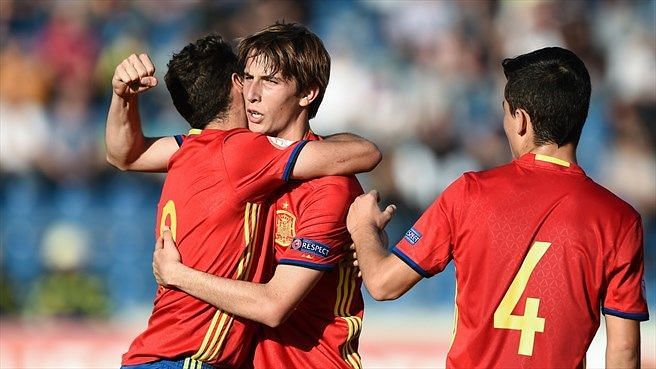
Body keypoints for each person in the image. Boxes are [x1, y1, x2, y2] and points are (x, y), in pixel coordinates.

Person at [346, 47, 649, 368]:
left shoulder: (469, 193)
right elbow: (624, 350)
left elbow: (381, 283)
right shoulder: (620, 219)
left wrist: (362, 227)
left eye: (505, 111)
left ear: (521, 120)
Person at [107, 34, 381, 369]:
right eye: (247, 78)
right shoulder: (235, 153)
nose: (251, 94)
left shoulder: (328, 187)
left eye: (269, 81)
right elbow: (127, 155)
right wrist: (122, 97)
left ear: (307, 93)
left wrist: (178, 274)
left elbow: (274, 306)